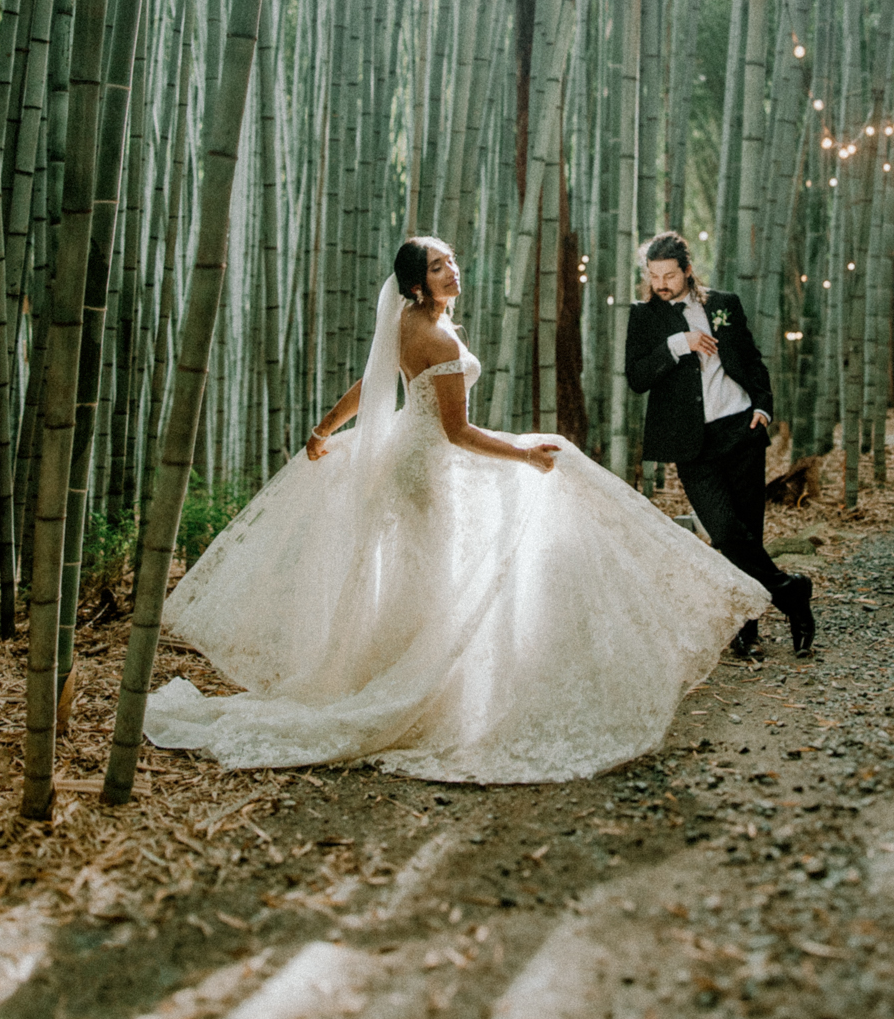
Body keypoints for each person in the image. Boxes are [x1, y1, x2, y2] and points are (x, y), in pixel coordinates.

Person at [142, 236, 767, 782]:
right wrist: (525, 455)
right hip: (427, 465)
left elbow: (373, 382)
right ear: (416, 284)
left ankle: (411, 677)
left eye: (453, 262)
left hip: (406, 457)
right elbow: (457, 433)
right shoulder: (434, 333)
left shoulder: (409, 324)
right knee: (448, 569)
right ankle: (419, 693)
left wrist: (324, 427)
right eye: (440, 267)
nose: (454, 272)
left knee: (426, 578)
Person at [625, 231, 816, 658]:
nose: (661, 284)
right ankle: (792, 594)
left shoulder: (724, 304)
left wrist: (763, 408)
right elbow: (637, 378)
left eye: (669, 275)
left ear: (688, 271)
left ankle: (744, 628)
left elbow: (750, 360)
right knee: (726, 531)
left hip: (740, 429)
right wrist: (679, 344)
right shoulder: (644, 317)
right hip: (692, 443)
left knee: (749, 533)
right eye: (654, 276)